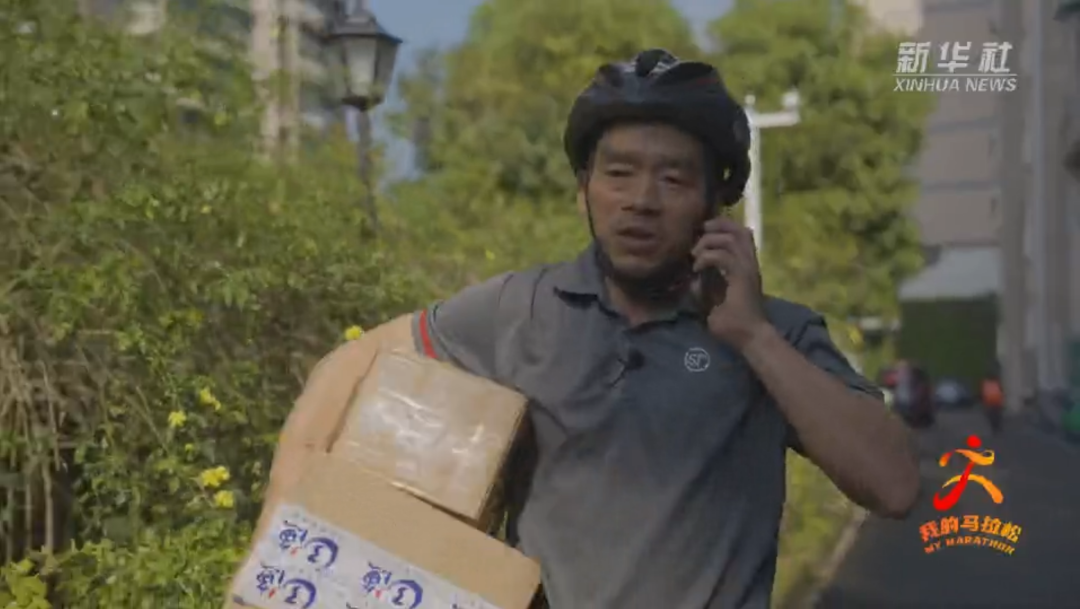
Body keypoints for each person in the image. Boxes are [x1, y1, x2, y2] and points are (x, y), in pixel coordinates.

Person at [255, 49, 919, 609]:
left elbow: (893, 485)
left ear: (715, 203)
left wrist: (752, 337)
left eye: (673, 178)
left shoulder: (778, 333)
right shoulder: (519, 310)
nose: (641, 201)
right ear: (584, 189)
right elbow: (350, 365)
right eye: (619, 173)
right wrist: (278, 538)